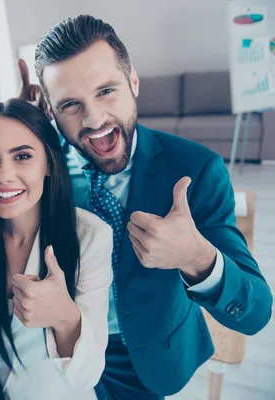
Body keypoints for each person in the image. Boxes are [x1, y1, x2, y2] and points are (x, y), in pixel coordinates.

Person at [16, 15, 273, 400]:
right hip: (57, 353)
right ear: (50, 111)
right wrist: (17, 128)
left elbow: (255, 311)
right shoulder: (36, 165)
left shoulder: (196, 169)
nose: (95, 119)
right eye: (71, 103)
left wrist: (197, 257)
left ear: (133, 81)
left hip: (146, 361)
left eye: (106, 91)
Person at [0, 98, 113, 400]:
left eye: (22, 156)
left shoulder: (89, 236)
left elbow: (89, 373)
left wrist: (64, 317)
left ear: (49, 163)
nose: (3, 175)